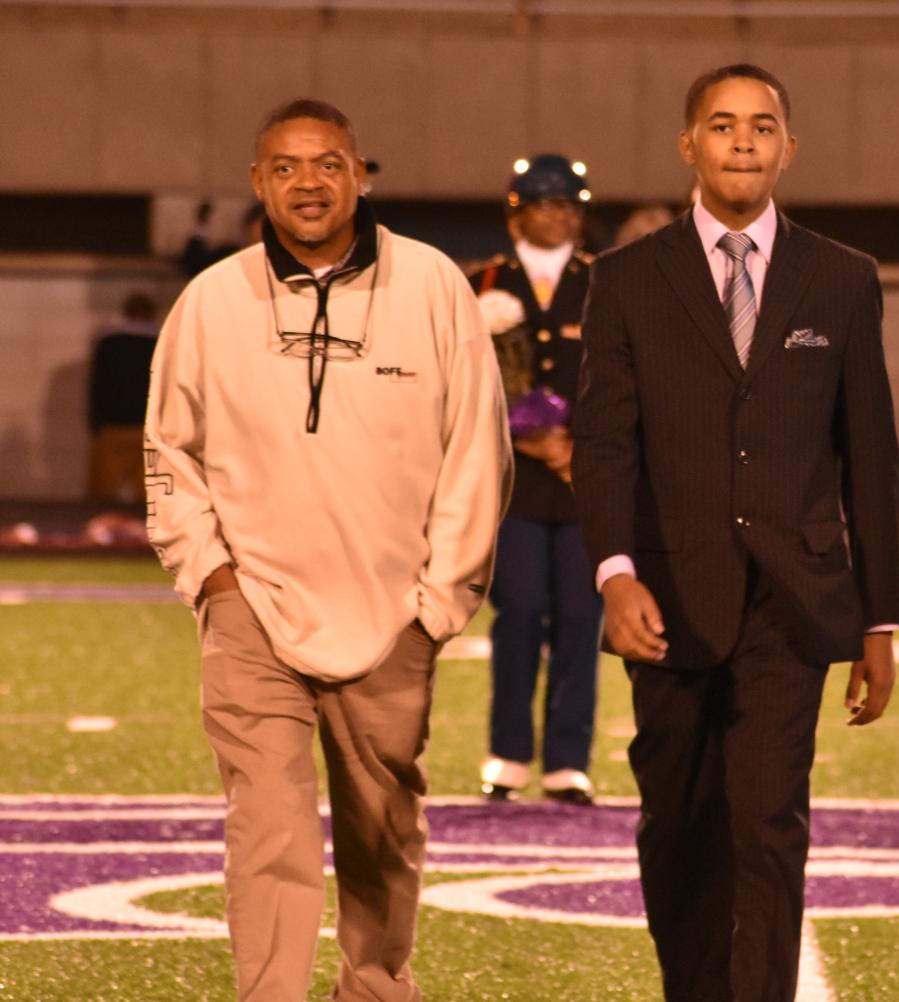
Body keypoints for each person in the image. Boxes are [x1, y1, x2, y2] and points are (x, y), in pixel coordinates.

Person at [144, 98, 508, 1002]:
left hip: (391, 615)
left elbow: (478, 451)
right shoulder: (210, 301)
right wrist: (212, 578)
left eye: (328, 163)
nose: (308, 182)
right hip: (252, 611)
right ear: (258, 181)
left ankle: (376, 985)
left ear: (361, 175)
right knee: (267, 826)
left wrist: (438, 604)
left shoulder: (432, 286)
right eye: (287, 166)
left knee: (383, 829)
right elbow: (167, 452)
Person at [572, 63, 899, 1002]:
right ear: (690, 146)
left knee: (767, 825)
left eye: (762, 125)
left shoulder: (843, 280)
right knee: (677, 826)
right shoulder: (628, 279)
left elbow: (867, 458)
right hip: (667, 600)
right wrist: (614, 572)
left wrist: (878, 619)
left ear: (787, 147)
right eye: (722, 125)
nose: (744, 141)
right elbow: (604, 446)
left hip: (792, 607)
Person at [471, 154, 603, 804]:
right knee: (519, 612)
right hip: (516, 483)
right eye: (548, 204)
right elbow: (463, 381)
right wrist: (524, 434)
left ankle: (567, 762)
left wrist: (577, 445)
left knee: (582, 615)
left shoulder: (603, 282)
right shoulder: (484, 281)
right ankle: (507, 755)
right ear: (516, 209)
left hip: (585, 482)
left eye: (571, 205)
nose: (562, 216)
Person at [86, 292, 158, 503]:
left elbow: (98, 384)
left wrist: (95, 423)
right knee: (148, 498)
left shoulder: (109, 342)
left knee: (102, 494)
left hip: (112, 426)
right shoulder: (161, 341)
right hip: (148, 428)